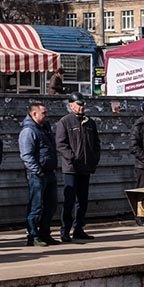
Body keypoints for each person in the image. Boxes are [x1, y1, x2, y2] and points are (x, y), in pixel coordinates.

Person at [55, 92, 100, 242]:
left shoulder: (90, 122)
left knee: (82, 201)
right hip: (71, 168)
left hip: (86, 168)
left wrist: (94, 159)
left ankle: (79, 229)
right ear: (71, 105)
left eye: (82, 104)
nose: (81, 107)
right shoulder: (65, 122)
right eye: (78, 104)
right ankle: (65, 231)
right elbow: (61, 144)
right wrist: (73, 158)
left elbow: (96, 143)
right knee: (69, 201)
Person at [19, 100, 59, 246]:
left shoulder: (45, 128)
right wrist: (38, 171)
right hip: (37, 174)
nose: (47, 115)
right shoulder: (29, 131)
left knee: (51, 205)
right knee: (36, 206)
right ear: (34, 114)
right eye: (44, 113)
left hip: (49, 172)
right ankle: (33, 236)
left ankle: (45, 233)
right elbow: (26, 155)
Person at [129, 102, 144, 226]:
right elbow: (133, 146)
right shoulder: (139, 125)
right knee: (141, 191)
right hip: (142, 165)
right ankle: (139, 217)